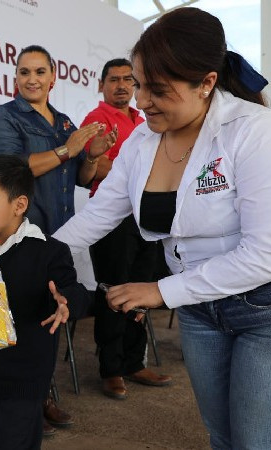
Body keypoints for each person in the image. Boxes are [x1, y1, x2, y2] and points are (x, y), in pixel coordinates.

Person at [53, 8, 271, 449]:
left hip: (268, 311)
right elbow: (98, 215)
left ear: (205, 83)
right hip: (200, 311)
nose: (141, 100)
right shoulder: (143, 142)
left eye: (157, 90)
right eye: (140, 85)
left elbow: (270, 254)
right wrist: (33, 255)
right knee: (222, 437)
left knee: (262, 441)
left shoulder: (257, 132)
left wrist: (160, 292)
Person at [0, 44, 116, 434]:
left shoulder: (64, 122)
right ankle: (30, 400)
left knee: (53, 312)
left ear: (53, 77)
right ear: (16, 78)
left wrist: (91, 155)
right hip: (20, 236)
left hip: (59, 236)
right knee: (22, 320)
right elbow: (7, 170)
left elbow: (81, 179)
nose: (31, 79)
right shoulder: (4, 115)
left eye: (39, 72)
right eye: (24, 72)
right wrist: (65, 150)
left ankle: (40, 392)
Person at [0, 154, 89, 449]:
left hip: (27, 375)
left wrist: (65, 302)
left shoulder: (48, 251)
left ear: (19, 205)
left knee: (15, 441)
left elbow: (73, 291)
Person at [79, 58, 171, 399]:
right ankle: (111, 370)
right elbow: (97, 169)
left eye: (127, 80)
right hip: (112, 219)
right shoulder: (96, 119)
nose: (121, 85)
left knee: (143, 290)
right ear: (101, 85)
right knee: (114, 291)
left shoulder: (143, 119)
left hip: (146, 216)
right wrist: (130, 171)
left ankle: (134, 362)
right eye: (113, 79)